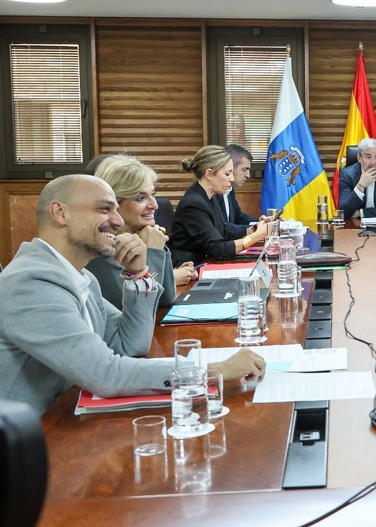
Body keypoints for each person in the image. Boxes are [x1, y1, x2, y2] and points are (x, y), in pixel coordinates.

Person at [0, 175, 266, 413]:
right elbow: (105, 374)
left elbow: (130, 344)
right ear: (60, 213)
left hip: (62, 420)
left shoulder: (81, 277)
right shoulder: (30, 283)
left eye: (116, 210)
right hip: (33, 438)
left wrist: (138, 274)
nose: (117, 221)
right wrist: (216, 371)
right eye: (104, 209)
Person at [87, 154, 198, 308]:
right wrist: (153, 252)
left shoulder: (139, 235)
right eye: (140, 198)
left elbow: (166, 298)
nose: (154, 205)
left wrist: (159, 248)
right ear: (113, 203)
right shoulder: (102, 247)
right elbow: (142, 307)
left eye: (153, 194)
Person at [169, 145, 269, 266]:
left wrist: (253, 229)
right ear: (209, 174)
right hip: (187, 267)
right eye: (227, 174)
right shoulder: (194, 203)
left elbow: (223, 230)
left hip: (204, 262)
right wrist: (257, 236)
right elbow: (218, 249)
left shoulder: (209, 197)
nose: (232, 179)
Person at [338, 137, 376, 219]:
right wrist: (360, 185)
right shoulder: (347, 174)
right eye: (368, 157)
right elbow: (343, 212)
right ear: (359, 158)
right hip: (355, 224)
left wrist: (361, 213)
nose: (373, 162)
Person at [213, 144, 259, 238]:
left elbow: (238, 217)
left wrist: (261, 222)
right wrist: (255, 228)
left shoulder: (230, 189)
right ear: (230, 167)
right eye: (244, 170)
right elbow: (222, 228)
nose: (248, 175)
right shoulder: (213, 192)